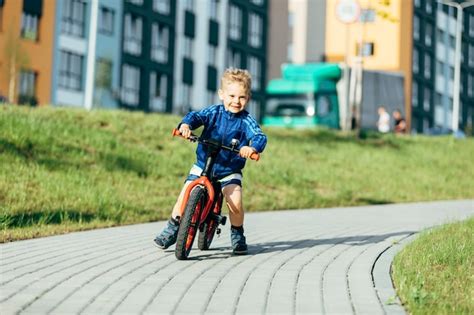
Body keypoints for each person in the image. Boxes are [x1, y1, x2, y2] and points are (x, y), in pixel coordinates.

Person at [153, 68, 267, 255]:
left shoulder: (246, 121)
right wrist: (186, 126)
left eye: (242, 97)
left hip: (229, 169)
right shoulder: (213, 113)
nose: (236, 101)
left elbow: (258, 135)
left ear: (248, 98)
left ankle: (237, 234)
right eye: (231, 95)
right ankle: (173, 227)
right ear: (221, 94)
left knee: (235, 201)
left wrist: (252, 147)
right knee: (184, 194)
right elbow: (196, 116)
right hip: (203, 164)